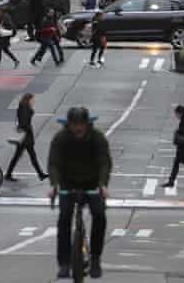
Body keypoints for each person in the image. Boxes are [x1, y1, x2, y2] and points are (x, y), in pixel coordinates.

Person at [48, 107, 112, 279]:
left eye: (81, 125)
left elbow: (104, 162)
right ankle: (64, 263)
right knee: (64, 219)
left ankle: (96, 258)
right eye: (74, 125)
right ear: (68, 125)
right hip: (68, 183)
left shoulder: (97, 137)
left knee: (99, 215)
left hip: (92, 184)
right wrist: (54, 184)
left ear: (87, 124)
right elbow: (53, 163)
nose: (77, 129)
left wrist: (102, 184)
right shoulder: (61, 138)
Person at [5, 93, 48, 182]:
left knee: (19, 156)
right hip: (25, 137)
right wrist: (29, 129)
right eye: (33, 100)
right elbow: (24, 123)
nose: (34, 101)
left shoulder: (23, 107)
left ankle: (8, 174)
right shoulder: (25, 108)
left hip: (24, 137)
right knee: (31, 156)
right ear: (28, 100)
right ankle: (41, 174)